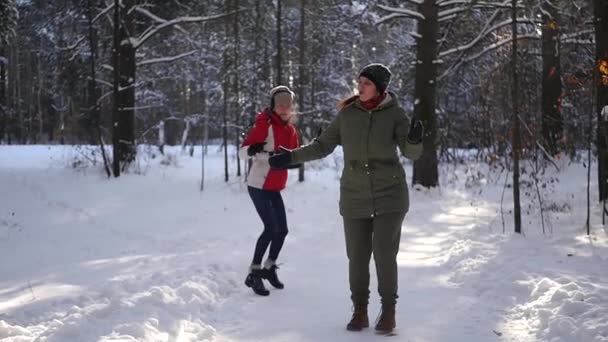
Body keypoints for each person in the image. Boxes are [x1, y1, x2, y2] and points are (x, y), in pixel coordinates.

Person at [269, 64, 423, 334]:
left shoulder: (395, 115)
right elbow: (322, 146)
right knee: (358, 256)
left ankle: (388, 311)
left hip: (390, 194)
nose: (360, 86)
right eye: (359, 82)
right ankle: (360, 310)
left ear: (379, 87)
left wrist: (414, 140)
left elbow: (411, 154)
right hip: (354, 195)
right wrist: (290, 157)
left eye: (366, 83)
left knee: (384, 254)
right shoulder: (347, 115)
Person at [239, 86, 300, 296]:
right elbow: (241, 152)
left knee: (282, 230)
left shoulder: (291, 130)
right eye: (280, 104)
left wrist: (295, 161)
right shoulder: (264, 126)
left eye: (288, 105)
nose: (284, 109)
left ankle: (269, 268)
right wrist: (252, 149)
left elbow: (294, 155)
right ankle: (254, 273)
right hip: (258, 184)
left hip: (274, 186)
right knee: (270, 228)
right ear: (274, 106)